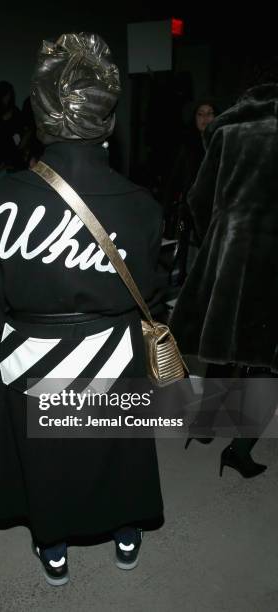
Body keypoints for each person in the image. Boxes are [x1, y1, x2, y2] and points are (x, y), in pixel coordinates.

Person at [0, 32, 164, 586]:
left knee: (50, 460)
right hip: (118, 360)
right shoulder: (143, 206)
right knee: (118, 451)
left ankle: (55, 547)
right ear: (108, 120)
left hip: (31, 363)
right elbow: (156, 292)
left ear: (40, 118)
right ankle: (125, 534)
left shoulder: (2, 199)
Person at [170, 57, 278, 477]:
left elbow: (197, 198)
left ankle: (203, 424)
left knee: (224, 340)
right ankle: (240, 449)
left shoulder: (225, 128)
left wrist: (219, 234)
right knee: (266, 359)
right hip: (271, 261)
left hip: (229, 256)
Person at [163, 99, 219, 284]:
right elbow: (174, 181)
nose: (205, 118)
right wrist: (167, 210)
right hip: (188, 213)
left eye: (210, 113)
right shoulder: (186, 145)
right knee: (186, 251)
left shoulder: (223, 144)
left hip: (216, 211)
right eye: (200, 114)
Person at [0, 81, 25, 173]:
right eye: (5, 95)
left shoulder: (14, 110)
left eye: (9, 95)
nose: (7, 98)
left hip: (14, 150)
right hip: (0, 151)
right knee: (3, 177)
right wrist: (2, 120)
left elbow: (22, 130)